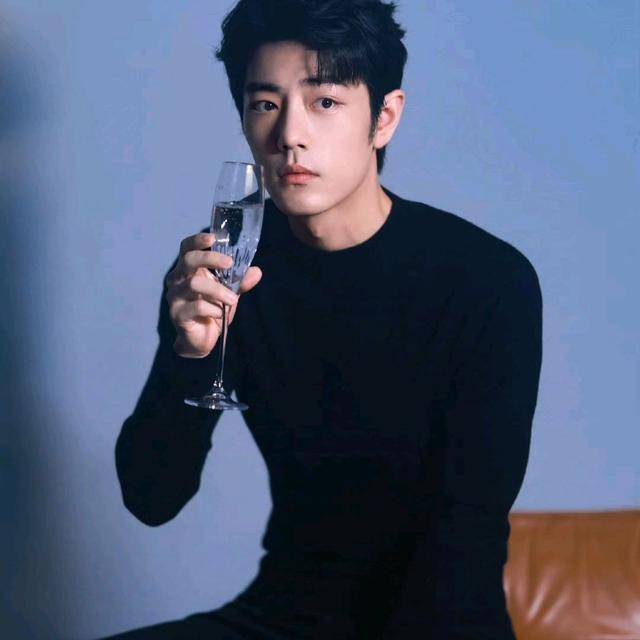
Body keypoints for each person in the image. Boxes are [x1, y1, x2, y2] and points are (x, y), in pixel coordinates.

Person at [100, 0, 543, 638]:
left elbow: (466, 540)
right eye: (265, 103)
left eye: (325, 101)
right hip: (285, 616)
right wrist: (189, 356)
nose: (290, 135)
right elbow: (151, 497)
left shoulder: (486, 281)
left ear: (384, 117)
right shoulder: (224, 271)